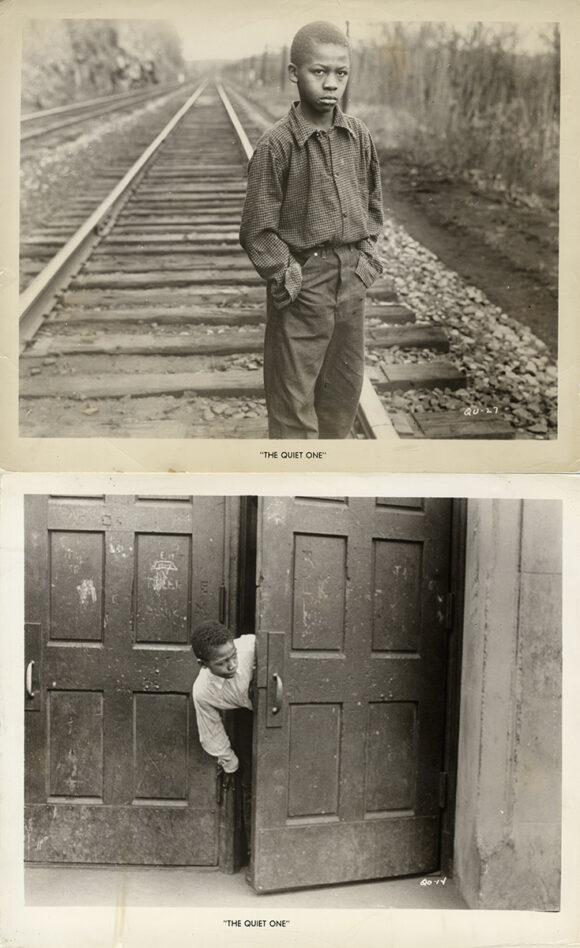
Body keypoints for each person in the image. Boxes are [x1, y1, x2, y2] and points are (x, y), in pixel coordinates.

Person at [239, 20, 384, 439]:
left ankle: (329, 471)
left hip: (351, 282)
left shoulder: (358, 136)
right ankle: (293, 475)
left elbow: (373, 203)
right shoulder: (277, 145)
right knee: (294, 403)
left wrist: (367, 258)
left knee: (342, 392)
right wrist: (289, 275)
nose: (331, 83)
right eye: (318, 72)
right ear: (293, 73)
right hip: (305, 282)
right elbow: (257, 229)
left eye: (341, 73)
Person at [191, 621, 255, 858]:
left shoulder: (250, 646)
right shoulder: (203, 691)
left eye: (233, 656)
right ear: (203, 664)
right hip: (255, 720)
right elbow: (211, 731)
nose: (232, 664)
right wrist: (231, 763)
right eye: (222, 662)